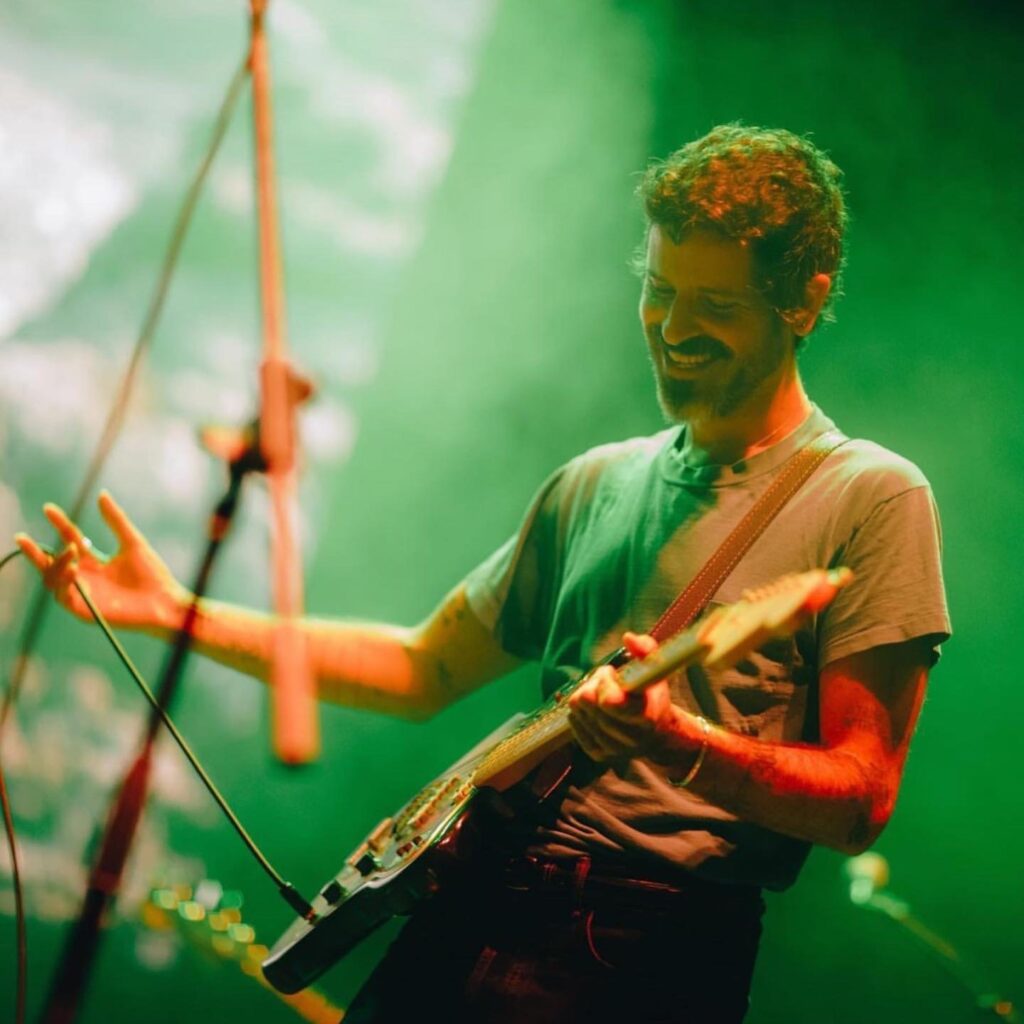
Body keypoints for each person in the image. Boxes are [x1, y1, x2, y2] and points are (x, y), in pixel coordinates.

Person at [17, 124, 950, 1023]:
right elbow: (421, 669)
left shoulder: (870, 495)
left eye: (716, 306)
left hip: (639, 943)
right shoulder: (595, 481)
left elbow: (861, 796)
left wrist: (678, 744)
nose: (672, 328)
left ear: (804, 298)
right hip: (467, 899)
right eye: (660, 290)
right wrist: (174, 613)